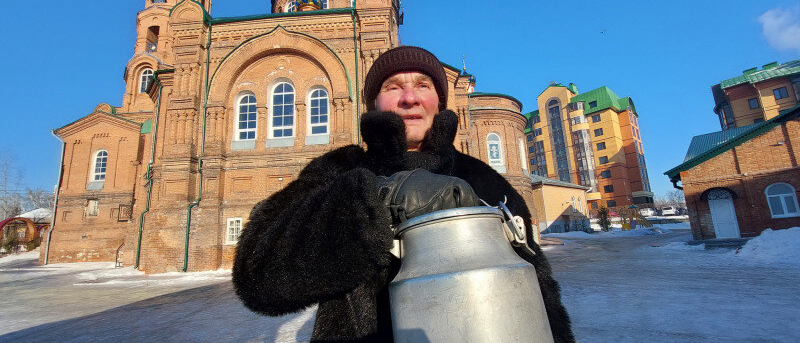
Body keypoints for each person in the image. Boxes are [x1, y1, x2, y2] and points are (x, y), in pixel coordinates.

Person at [232, 46, 574, 342]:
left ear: (439, 101)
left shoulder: (482, 179)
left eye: (423, 85)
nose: (410, 98)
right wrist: (371, 203)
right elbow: (256, 276)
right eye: (393, 86)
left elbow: (540, 294)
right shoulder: (340, 171)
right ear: (374, 104)